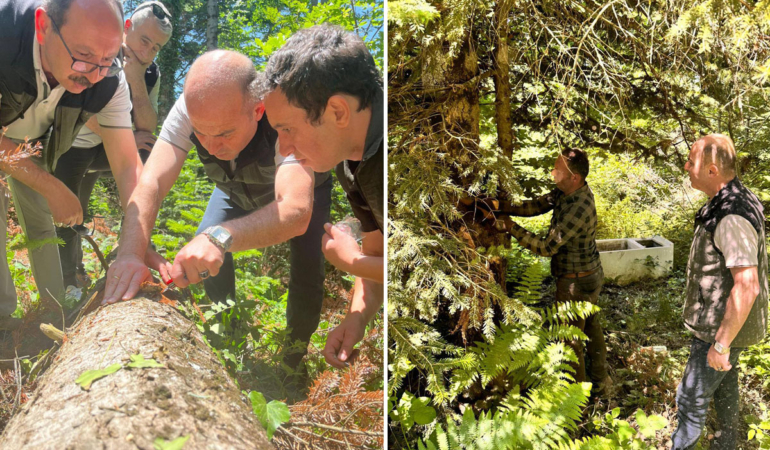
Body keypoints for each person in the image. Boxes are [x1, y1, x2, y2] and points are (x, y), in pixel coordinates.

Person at [103, 50, 332, 370]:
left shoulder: (283, 116)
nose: (210, 147)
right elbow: (151, 180)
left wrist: (221, 236)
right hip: (234, 190)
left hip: (303, 193)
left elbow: (295, 210)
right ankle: (228, 337)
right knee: (205, 245)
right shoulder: (189, 110)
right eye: (201, 133)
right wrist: (130, 252)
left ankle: (292, 362)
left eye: (224, 134)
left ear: (258, 109)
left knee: (307, 273)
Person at [0, 0, 145, 329]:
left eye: (107, 59)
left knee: (41, 225)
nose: (94, 76)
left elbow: (127, 166)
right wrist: (52, 186)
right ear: (43, 27)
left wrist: (138, 243)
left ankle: (54, 314)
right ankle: (3, 321)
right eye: (83, 57)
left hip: (27, 143)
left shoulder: (109, 81)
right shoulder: (3, 33)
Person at [262, 24, 384, 369]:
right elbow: (380, 258)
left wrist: (351, 262)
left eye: (288, 129)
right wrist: (356, 318)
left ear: (338, 112)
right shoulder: (349, 162)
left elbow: (430, 271)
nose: (283, 147)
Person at [54, 0, 172, 295]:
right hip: (73, 144)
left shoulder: (149, 72)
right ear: (127, 27)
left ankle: (135, 243)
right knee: (70, 211)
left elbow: (147, 124)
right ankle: (69, 279)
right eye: (144, 40)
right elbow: (75, 104)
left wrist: (136, 79)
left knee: (148, 155)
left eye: (155, 47)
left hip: (106, 149)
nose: (147, 52)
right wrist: (123, 138)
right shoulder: (99, 48)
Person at [671, 134, 767, 449]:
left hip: (719, 330)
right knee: (725, 394)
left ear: (712, 170)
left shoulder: (732, 213)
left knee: (690, 399)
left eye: (691, 161)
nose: (685, 166)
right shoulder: (728, 199)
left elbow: (747, 284)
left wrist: (721, 344)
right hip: (724, 327)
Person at [491, 149, 612, 395]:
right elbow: (534, 206)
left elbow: (547, 248)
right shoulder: (565, 192)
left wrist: (510, 227)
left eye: (558, 170)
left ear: (575, 177)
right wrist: (498, 205)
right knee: (589, 326)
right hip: (586, 275)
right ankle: (600, 381)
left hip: (576, 283)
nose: (553, 173)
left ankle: (576, 402)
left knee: (570, 341)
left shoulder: (578, 206)